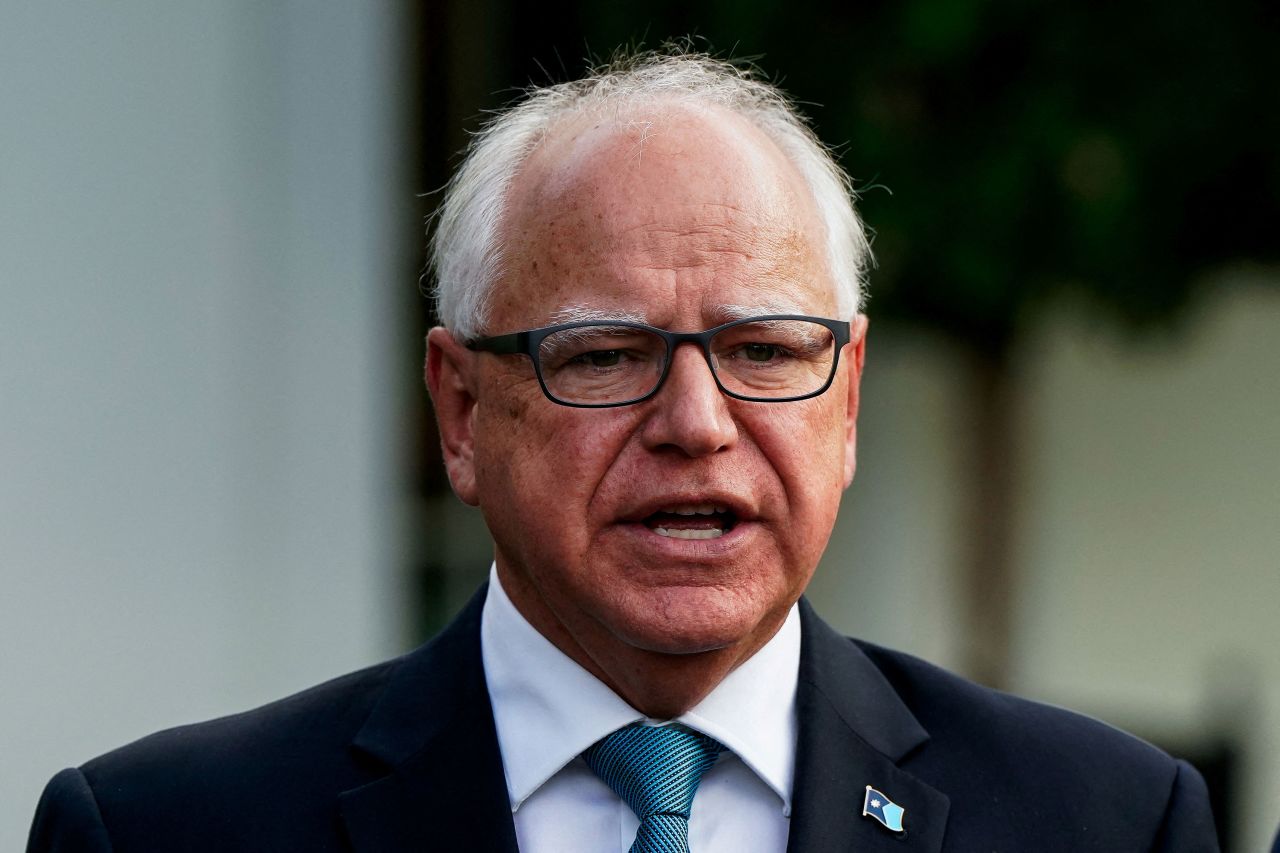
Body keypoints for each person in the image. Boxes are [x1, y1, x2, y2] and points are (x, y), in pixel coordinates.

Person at [28, 51, 1218, 852]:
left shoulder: (1106, 819)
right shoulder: (158, 829)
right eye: (601, 356)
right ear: (458, 411)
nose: (696, 423)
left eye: (762, 349)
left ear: (845, 403)